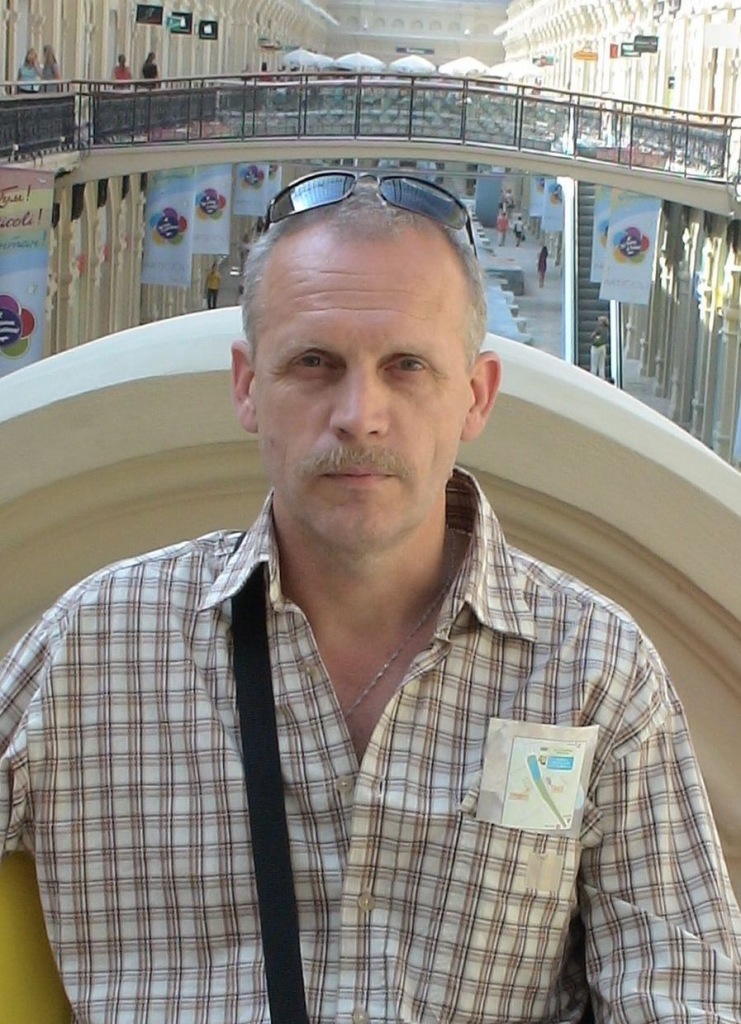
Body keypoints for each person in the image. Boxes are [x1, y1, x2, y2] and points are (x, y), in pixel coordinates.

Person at [0, 170, 739, 1022]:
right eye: (314, 363)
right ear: (246, 386)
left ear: (475, 396)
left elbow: (682, 994)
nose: (359, 414)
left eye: (407, 366)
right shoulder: (97, 646)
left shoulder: (591, 673)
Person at [590, 313, 610, 378]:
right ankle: (602, 377)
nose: (598, 322)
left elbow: (592, 336)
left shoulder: (598, 329)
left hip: (596, 347)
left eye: (599, 321)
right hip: (603, 347)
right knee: (601, 365)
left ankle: (593, 377)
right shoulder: (606, 330)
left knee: (594, 364)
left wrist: (593, 338)